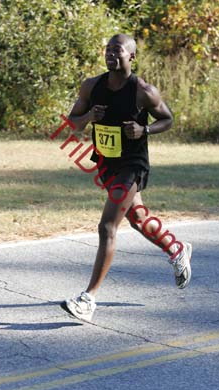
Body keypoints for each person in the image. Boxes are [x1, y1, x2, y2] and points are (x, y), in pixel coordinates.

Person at [60, 33, 192, 322]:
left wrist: (144, 130)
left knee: (107, 226)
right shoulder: (92, 87)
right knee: (138, 219)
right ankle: (176, 248)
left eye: (117, 50)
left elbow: (167, 119)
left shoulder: (143, 91)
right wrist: (89, 118)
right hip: (107, 164)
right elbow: (72, 125)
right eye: (107, 49)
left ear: (131, 56)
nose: (110, 54)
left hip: (133, 165)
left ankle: (88, 299)